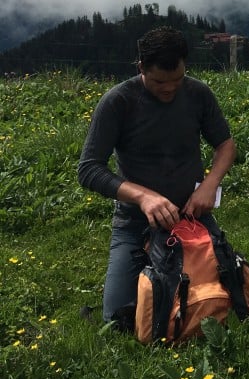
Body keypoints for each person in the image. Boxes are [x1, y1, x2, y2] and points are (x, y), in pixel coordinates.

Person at [78, 26, 236, 324]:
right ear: (141, 68)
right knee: (118, 319)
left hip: (192, 220)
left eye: (177, 79)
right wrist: (143, 197)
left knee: (218, 300)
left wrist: (209, 185)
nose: (169, 88)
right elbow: (88, 169)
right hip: (135, 223)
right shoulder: (118, 102)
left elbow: (226, 145)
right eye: (160, 81)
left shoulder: (198, 93)